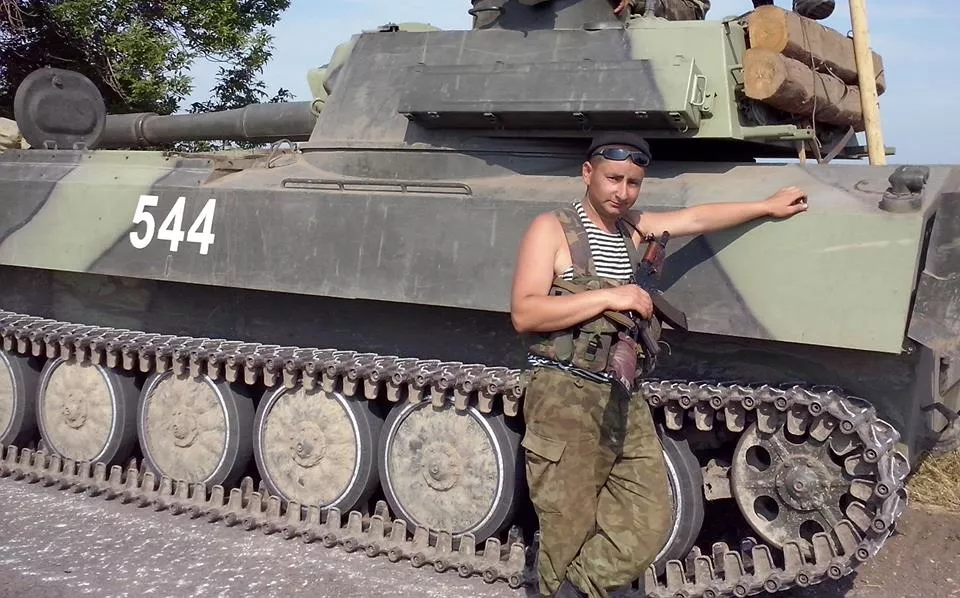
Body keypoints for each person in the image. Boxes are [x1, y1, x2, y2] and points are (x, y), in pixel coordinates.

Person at [509, 132, 807, 598]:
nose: (622, 191)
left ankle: (578, 589)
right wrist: (611, 296)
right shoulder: (553, 229)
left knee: (650, 518)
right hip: (565, 395)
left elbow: (696, 218)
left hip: (622, 395)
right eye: (613, 178)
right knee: (566, 527)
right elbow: (525, 313)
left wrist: (765, 206)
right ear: (588, 173)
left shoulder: (632, 227)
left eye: (633, 182)